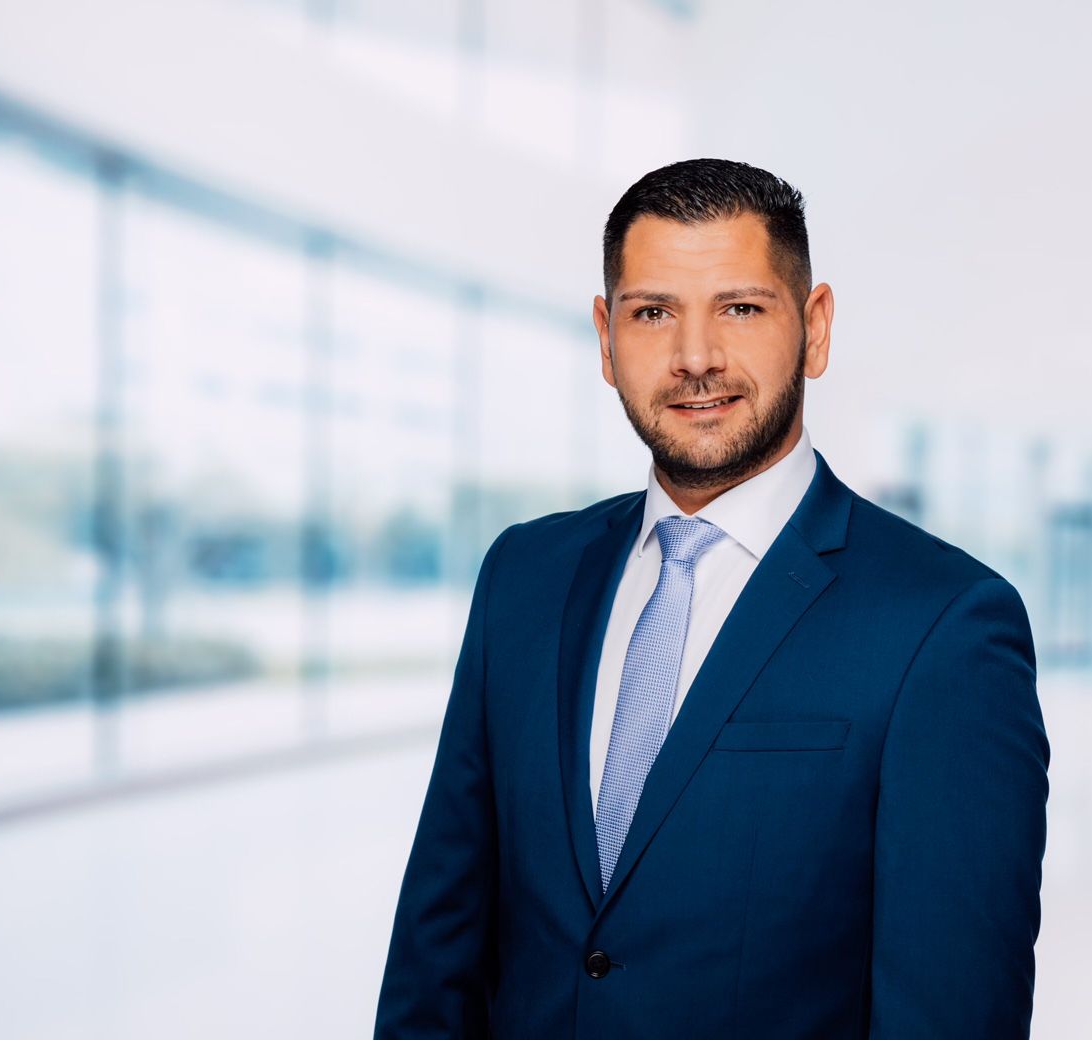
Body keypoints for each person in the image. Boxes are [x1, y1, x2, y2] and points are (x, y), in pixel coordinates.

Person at [373, 158, 1049, 1038]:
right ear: (606, 340)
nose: (696, 358)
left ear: (815, 329)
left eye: (740, 309)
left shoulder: (944, 626)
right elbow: (436, 952)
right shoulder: (523, 577)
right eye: (653, 313)